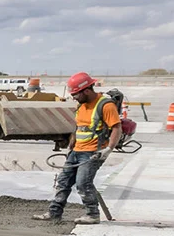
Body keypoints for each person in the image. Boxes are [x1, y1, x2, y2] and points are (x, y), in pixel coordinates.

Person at [42, 71, 121, 224]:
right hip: (77, 150)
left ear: (86, 90)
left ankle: (92, 214)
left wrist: (108, 149)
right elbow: (79, 127)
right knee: (63, 182)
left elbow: (117, 128)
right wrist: (71, 144)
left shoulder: (105, 105)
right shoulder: (81, 105)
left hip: (93, 152)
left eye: (76, 94)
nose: (74, 97)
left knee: (83, 183)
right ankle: (54, 213)